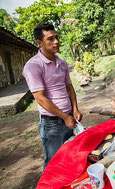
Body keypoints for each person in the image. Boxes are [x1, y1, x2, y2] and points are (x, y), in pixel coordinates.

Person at [22, 23, 83, 169]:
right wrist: (64, 116)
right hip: (51, 124)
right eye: (50, 39)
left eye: (56, 37)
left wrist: (75, 109)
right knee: (53, 162)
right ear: (39, 43)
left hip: (69, 117)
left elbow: (69, 88)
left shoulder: (62, 63)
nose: (56, 41)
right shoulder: (33, 66)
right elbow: (40, 98)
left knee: (71, 155)